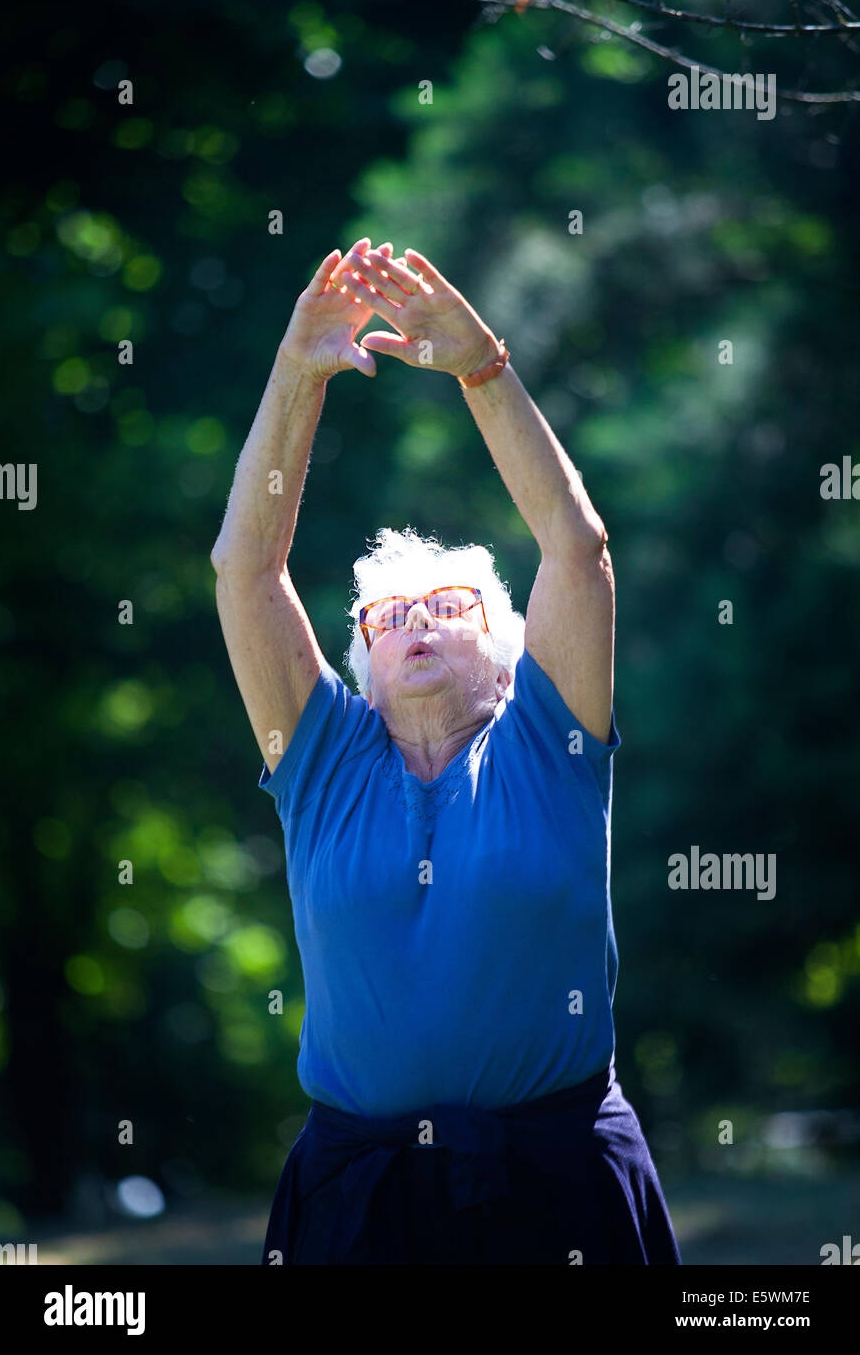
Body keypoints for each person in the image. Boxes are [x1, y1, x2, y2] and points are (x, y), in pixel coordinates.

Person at [210, 237, 681, 1265]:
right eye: (385, 615)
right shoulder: (323, 760)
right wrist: (298, 374)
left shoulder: (547, 742)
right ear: (361, 666)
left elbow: (576, 546)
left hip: (556, 1181)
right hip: (357, 1196)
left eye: (449, 603)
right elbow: (246, 571)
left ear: (509, 655)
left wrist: (481, 367)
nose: (413, 619)